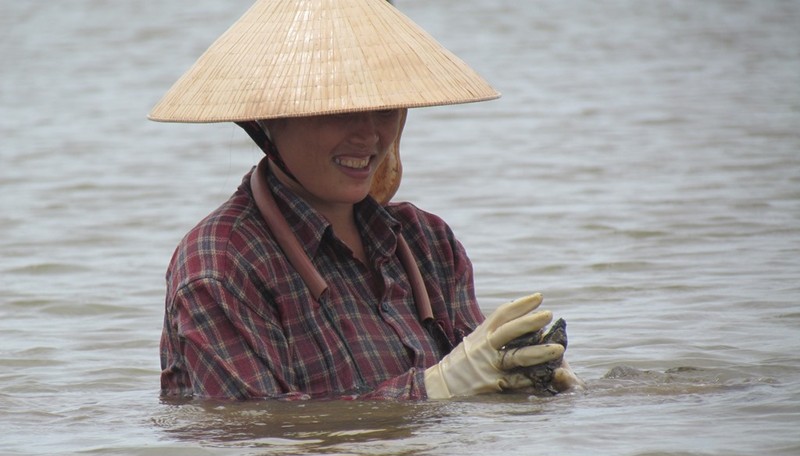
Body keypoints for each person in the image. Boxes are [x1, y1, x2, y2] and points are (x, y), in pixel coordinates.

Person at [149, 0, 582, 401]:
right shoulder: (218, 266)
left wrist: (531, 381)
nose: (369, 134)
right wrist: (435, 387)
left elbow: (477, 393)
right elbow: (255, 431)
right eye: (340, 110)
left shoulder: (427, 242)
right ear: (269, 119)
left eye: (385, 108)